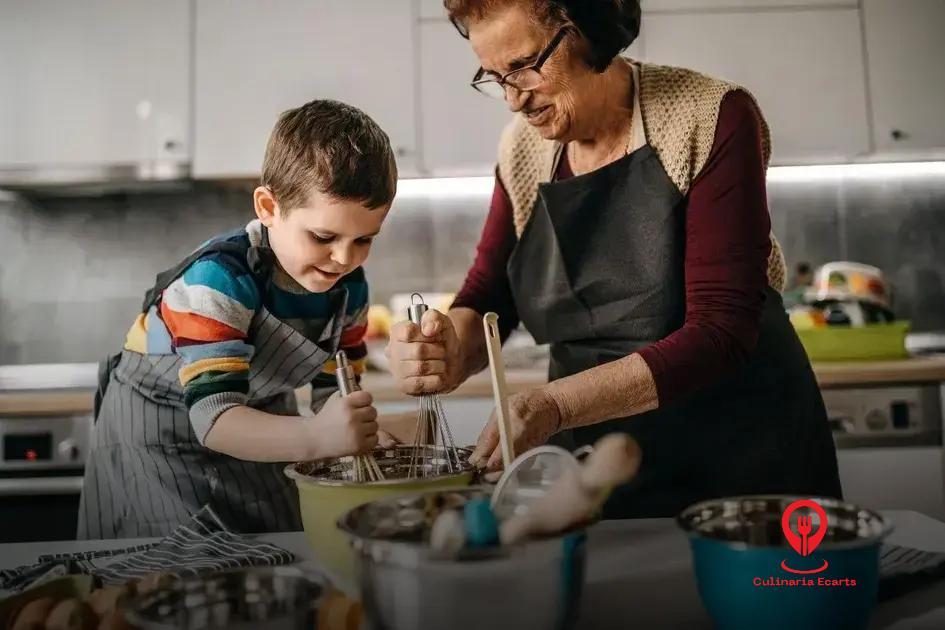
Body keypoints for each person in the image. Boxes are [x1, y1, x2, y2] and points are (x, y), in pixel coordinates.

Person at [386, 0, 842, 518]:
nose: (513, 100)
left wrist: (556, 403)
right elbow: (490, 293)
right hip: (597, 467)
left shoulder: (709, 116)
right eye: (493, 77)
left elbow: (721, 331)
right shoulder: (522, 150)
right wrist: (444, 350)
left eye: (524, 66)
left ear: (587, 30)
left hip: (742, 460)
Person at [79, 99, 398, 538]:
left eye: (364, 239)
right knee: (178, 576)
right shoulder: (219, 280)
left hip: (260, 416)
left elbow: (334, 395)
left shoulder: (351, 291)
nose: (344, 258)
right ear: (268, 207)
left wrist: (361, 436)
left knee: (279, 551)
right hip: (159, 431)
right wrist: (317, 438)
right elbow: (214, 417)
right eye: (323, 236)